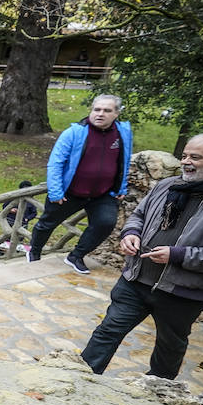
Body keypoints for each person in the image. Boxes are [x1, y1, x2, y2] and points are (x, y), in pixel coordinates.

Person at [81, 133, 203, 379]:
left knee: (168, 348)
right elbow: (139, 215)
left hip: (183, 293)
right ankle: (79, 378)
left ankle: (158, 393)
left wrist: (178, 255)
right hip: (136, 279)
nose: (186, 162)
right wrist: (131, 233)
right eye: (184, 156)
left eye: (195, 157)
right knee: (107, 331)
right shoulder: (167, 185)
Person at [27, 95, 132, 274]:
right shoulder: (75, 132)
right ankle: (34, 253)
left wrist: (121, 187)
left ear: (116, 114)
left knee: (106, 223)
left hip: (102, 194)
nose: (100, 114)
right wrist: (56, 192)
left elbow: (124, 160)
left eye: (107, 110)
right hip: (70, 192)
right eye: (97, 109)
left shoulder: (123, 133)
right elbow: (55, 163)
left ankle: (76, 256)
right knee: (47, 224)